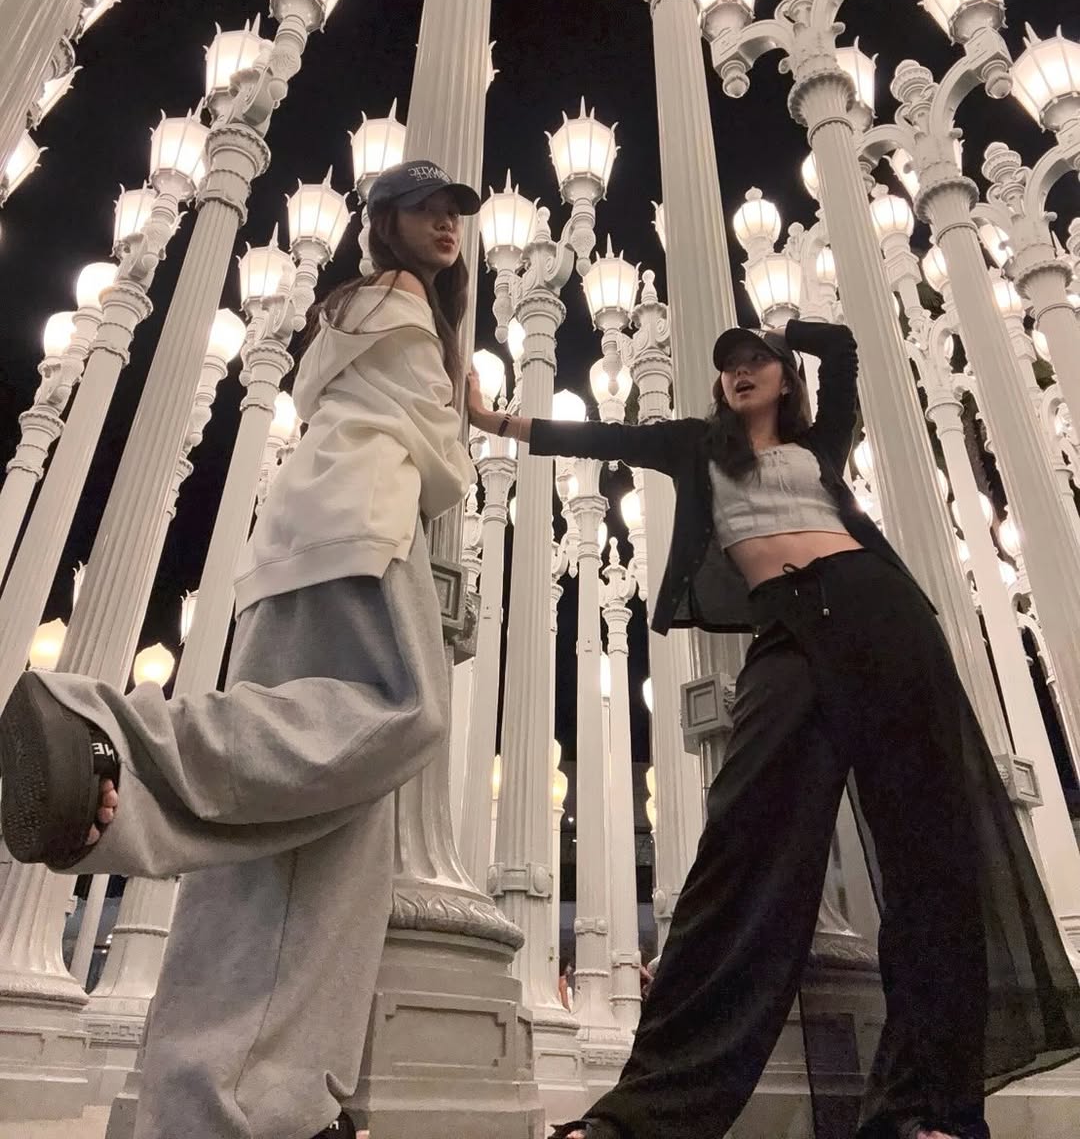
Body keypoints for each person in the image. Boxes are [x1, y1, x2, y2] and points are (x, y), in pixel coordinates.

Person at [467, 318, 1080, 1139]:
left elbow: (847, 349)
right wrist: (494, 420)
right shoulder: (697, 446)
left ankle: (924, 1110)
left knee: (931, 854)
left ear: (786, 377)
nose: (741, 371)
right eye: (730, 365)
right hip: (786, 628)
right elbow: (601, 436)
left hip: (882, 609)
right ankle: (642, 1118)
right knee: (741, 840)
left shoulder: (819, 445)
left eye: (757, 360)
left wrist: (787, 329)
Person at [0, 159, 481, 1139]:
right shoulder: (402, 300)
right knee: (401, 715)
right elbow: (437, 455)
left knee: (308, 826)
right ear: (386, 221)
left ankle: (248, 1102)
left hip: (292, 542)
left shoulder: (340, 312)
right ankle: (114, 737)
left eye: (455, 214)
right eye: (427, 209)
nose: (447, 226)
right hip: (361, 533)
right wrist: (463, 433)